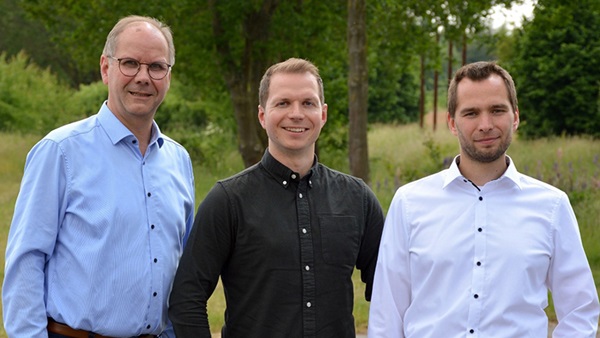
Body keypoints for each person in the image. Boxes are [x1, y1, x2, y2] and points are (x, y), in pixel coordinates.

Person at [367, 61, 600, 337]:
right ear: (453, 123)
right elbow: (387, 315)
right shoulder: (409, 203)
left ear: (515, 116)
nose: (485, 125)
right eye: (471, 113)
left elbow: (580, 310)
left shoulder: (552, 206)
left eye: (497, 110)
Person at [2, 15, 195, 338]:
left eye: (157, 67)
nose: (143, 77)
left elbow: (183, 271)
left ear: (169, 76)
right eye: (130, 63)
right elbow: (26, 264)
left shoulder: (179, 161)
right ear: (106, 68)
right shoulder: (60, 152)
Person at [168, 57, 385, 337]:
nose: (296, 114)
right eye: (283, 103)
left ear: (323, 114)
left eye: (308, 103)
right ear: (262, 115)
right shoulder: (228, 201)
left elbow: (391, 291)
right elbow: (187, 298)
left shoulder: (358, 199)